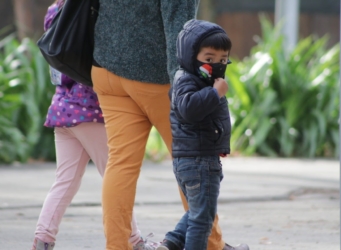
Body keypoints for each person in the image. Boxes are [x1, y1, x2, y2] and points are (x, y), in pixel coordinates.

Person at [92, 1, 248, 249]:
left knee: (121, 163)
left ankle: (118, 245)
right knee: (193, 156)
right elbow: (181, 29)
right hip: (154, 78)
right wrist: (188, 84)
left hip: (106, 69)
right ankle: (210, 244)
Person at [31, 0, 159, 249]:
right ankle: (133, 240)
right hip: (89, 111)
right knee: (117, 176)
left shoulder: (56, 12)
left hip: (63, 109)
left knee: (65, 181)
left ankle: (43, 239)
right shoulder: (90, 13)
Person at [156, 19, 249, 250]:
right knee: (202, 219)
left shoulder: (195, 79)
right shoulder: (188, 79)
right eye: (209, 59)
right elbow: (189, 110)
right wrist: (215, 93)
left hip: (196, 157)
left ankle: (171, 242)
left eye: (223, 60)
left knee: (200, 210)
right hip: (198, 160)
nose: (216, 65)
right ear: (190, 55)